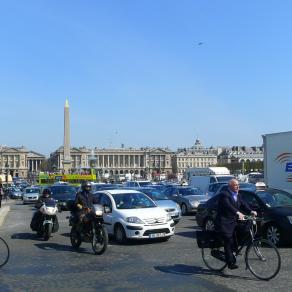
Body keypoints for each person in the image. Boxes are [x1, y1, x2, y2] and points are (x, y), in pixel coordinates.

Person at [215, 178, 257, 270]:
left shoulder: (238, 195)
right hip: (224, 222)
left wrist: (251, 211)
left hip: (234, 221)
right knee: (228, 240)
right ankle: (230, 263)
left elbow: (244, 205)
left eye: (238, 185)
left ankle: (233, 251)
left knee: (243, 230)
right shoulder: (224, 194)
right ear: (230, 186)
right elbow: (228, 206)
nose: (238, 186)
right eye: (235, 185)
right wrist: (238, 213)